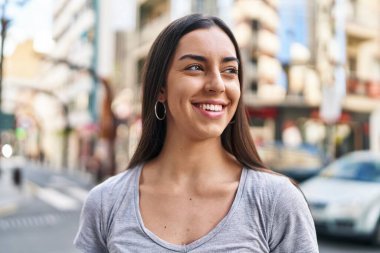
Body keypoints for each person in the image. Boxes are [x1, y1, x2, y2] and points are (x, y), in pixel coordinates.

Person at [74, 14, 319, 252]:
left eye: (230, 70)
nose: (218, 84)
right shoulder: (106, 202)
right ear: (161, 88)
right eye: (195, 67)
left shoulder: (278, 201)